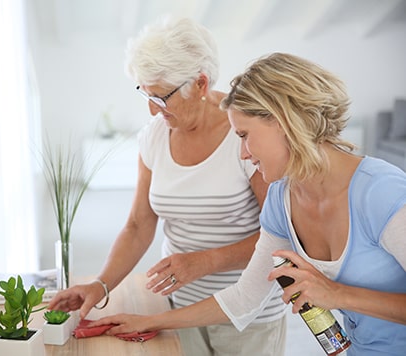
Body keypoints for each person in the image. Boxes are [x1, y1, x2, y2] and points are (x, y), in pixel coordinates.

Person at [90, 52, 406, 355]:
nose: (242, 153)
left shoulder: (381, 194)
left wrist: (339, 295)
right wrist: (150, 321)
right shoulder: (283, 201)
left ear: (284, 122)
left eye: (244, 135)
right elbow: (245, 297)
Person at [48, 18, 287, 355]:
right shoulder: (155, 136)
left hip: (249, 314)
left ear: (200, 84)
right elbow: (138, 224)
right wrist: (100, 285)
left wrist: (204, 262)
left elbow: (279, 235)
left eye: (161, 97)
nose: (151, 109)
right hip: (178, 308)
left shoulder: (244, 136)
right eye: (145, 94)